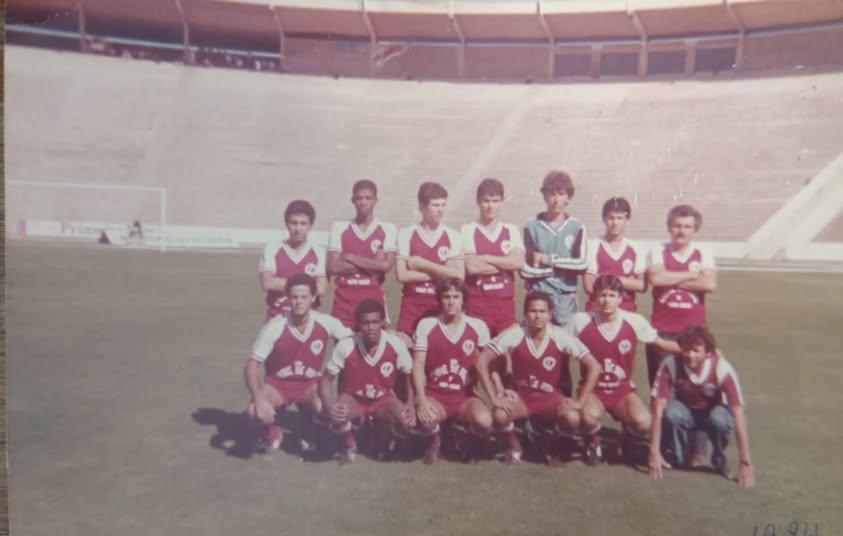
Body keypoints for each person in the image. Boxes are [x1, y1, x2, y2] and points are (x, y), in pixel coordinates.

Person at [476, 292, 600, 465]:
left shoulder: (560, 336)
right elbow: (482, 361)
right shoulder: (515, 334)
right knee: (499, 414)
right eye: (533, 311)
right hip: (521, 399)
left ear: (550, 314)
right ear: (525, 314)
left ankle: (554, 446)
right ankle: (514, 446)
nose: (538, 316)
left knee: (573, 418)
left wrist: (580, 402)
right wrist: (495, 397)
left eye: (542, 311)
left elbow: (594, 366)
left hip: (550, 399)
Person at [571, 274, 680, 465]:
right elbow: (558, 344)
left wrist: (695, 350)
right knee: (589, 417)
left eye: (612, 295)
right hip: (592, 390)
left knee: (644, 422)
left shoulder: (634, 321)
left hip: (622, 390)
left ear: (621, 298)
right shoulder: (580, 320)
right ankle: (593, 442)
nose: (607, 300)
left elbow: (661, 343)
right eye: (602, 295)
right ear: (595, 297)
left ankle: (624, 440)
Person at [245, 274, 352, 453]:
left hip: (310, 385)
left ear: (313, 298)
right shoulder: (275, 327)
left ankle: (312, 428)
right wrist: (258, 397)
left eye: (304, 297)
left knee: (331, 411)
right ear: (288, 298)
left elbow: (353, 341)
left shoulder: (325, 322)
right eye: (294, 297)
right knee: (254, 412)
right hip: (278, 385)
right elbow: (252, 364)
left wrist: (389, 336)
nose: (299, 302)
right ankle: (273, 433)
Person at [646, 204, 717, 463]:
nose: (681, 231)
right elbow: (655, 280)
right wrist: (690, 274)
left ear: (695, 229)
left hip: (695, 334)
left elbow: (709, 284)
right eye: (677, 225)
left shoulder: (703, 252)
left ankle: (697, 449)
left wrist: (670, 277)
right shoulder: (658, 250)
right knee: (662, 391)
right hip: (663, 330)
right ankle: (665, 444)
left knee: (696, 391)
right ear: (669, 226)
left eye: (687, 227)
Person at [648, 326, 755, 487]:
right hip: (685, 412)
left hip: (712, 413)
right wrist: (653, 450)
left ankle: (719, 460)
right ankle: (681, 457)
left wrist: (746, 462)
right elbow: (657, 408)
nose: (690, 355)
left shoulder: (722, 368)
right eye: (686, 350)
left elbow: (738, 414)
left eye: (696, 351)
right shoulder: (671, 364)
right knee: (671, 413)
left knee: (720, 420)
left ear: (708, 352)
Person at [319, 299, 415, 463]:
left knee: (406, 422)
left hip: (383, 400)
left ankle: (383, 436)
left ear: (383, 322)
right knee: (338, 415)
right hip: (354, 398)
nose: (370, 327)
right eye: (365, 323)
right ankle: (349, 442)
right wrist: (329, 406)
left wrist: (411, 404)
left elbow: (410, 376)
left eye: (375, 322)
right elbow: (325, 380)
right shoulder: (346, 345)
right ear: (358, 324)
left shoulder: (395, 344)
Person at [412, 278, 492, 464]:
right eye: (446, 296)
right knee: (426, 420)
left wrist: (495, 393)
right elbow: (418, 364)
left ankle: (464, 441)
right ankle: (436, 441)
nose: (451, 301)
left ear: (463, 299)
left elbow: (485, 365)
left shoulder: (477, 326)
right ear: (439, 300)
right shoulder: (426, 325)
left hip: (464, 396)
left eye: (456, 296)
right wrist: (421, 399)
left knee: (485, 421)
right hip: (436, 395)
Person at [395, 182, 464, 347]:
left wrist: (422, 264)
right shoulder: (406, 234)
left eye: (443, 205)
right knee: (407, 354)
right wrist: (442, 272)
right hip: (412, 305)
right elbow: (401, 275)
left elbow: (459, 275)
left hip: (439, 305)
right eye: (435, 205)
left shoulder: (453, 235)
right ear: (421, 207)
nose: (440, 210)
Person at [522, 170, 588, 328]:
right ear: (544, 195)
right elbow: (525, 270)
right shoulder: (531, 226)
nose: (556, 199)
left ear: (569, 197)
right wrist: (557, 269)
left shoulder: (577, 226)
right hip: (538, 296)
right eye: (551, 194)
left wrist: (548, 260)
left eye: (561, 193)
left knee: (565, 346)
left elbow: (581, 264)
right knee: (535, 345)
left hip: (565, 297)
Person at [327, 180, 398, 328]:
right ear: (353, 200)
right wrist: (374, 264)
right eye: (359, 198)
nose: (363, 202)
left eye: (368, 198)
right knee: (344, 349)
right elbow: (333, 267)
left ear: (375, 200)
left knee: (373, 349)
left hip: (373, 301)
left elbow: (386, 266)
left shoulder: (388, 228)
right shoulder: (339, 227)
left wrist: (349, 257)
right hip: (344, 302)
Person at [460, 178, 525, 337]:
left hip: (504, 306)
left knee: (505, 353)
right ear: (478, 201)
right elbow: (472, 267)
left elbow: (519, 262)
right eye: (486, 201)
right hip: (478, 305)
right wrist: (505, 262)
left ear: (502, 202)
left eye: (495, 201)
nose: (490, 206)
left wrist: (486, 257)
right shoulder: (468, 230)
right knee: (478, 355)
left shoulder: (511, 230)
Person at [259, 200, 328, 320]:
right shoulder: (272, 248)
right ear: (286, 224)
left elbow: (322, 289)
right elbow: (267, 283)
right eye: (293, 223)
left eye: (303, 223)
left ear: (310, 225)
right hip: (278, 318)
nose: (298, 228)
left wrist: (283, 283)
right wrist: (307, 286)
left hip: (308, 320)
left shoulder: (319, 252)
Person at [583, 197, 647, 312]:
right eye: (611, 218)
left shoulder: (635, 248)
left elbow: (643, 286)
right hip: (597, 309)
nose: (615, 223)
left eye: (620, 218)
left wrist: (604, 278)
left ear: (627, 220)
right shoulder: (593, 245)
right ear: (604, 219)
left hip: (626, 310)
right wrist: (628, 281)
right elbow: (589, 286)